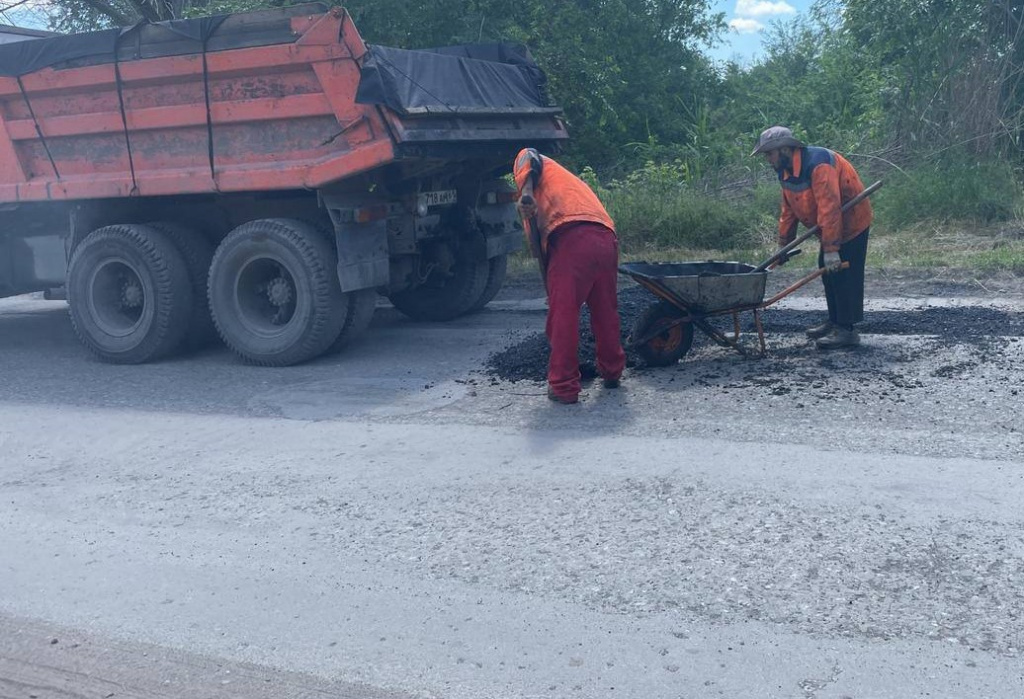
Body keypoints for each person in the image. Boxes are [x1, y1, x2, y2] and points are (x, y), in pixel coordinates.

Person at [513, 147, 626, 404]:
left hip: (571, 237)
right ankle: (612, 371)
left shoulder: (529, 160)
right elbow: (537, 243)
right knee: (605, 310)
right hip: (605, 237)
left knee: (564, 316)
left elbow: (528, 156)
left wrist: (526, 193)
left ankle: (563, 385)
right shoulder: (564, 182)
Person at [752, 126, 873, 349]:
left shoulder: (819, 164)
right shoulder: (785, 171)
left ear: (785, 149)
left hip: (851, 221)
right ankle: (835, 321)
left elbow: (830, 208)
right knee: (826, 270)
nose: (768, 159)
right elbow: (789, 210)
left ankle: (847, 330)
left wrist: (831, 249)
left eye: (769, 154)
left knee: (843, 274)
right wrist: (784, 246)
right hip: (830, 225)